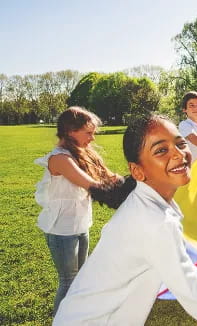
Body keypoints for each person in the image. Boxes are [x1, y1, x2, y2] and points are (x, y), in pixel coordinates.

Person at [53, 114, 197, 325]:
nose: (179, 154)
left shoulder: (149, 205)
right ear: (137, 171)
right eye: (161, 150)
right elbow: (195, 296)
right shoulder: (153, 221)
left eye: (180, 144)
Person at [34, 106, 118, 315]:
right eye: (88, 133)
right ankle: (61, 320)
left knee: (81, 278)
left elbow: (110, 179)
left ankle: (77, 317)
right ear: (71, 131)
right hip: (62, 230)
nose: (92, 139)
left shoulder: (83, 154)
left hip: (80, 224)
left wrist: (135, 180)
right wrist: (122, 191)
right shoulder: (60, 159)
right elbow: (93, 186)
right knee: (69, 280)